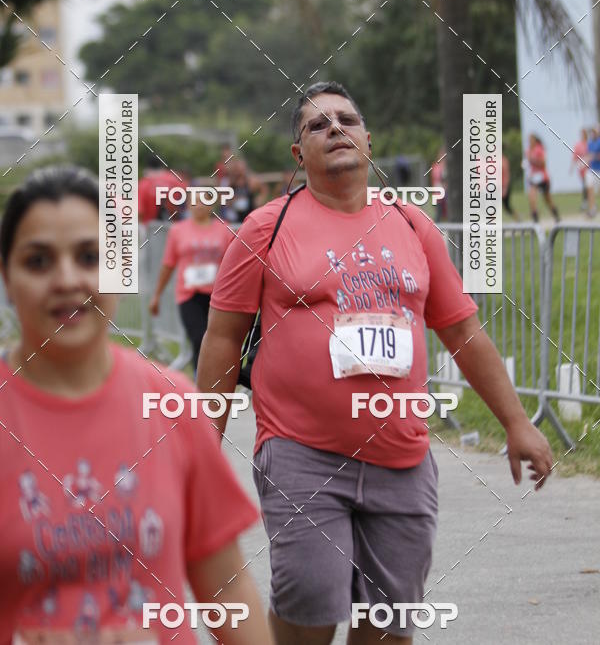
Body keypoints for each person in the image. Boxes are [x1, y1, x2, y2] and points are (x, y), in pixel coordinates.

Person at [198, 81, 553, 645]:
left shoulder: (412, 225)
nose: (335, 128)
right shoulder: (266, 228)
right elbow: (221, 340)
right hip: (301, 452)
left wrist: (516, 422)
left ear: (368, 139)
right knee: (311, 601)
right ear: (298, 153)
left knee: (389, 625)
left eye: (346, 119)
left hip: (402, 459)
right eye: (318, 124)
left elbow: (463, 331)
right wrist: (202, 454)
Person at [0, 165, 271, 643]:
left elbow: (226, 587)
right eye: (38, 261)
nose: (67, 279)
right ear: (6, 276)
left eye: (90, 257)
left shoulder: (171, 404)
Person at [149, 185, 233, 370]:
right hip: (188, 294)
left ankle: (211, 380)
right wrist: (157, 295)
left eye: (204, 201)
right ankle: (201, 381)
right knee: (199, 338)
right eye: (195, 201)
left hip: (217, 295)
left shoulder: (224, 230)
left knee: (216, 341)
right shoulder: (178, 230)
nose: (199, 205)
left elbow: (232, 264)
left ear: (212, 205)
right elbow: (168, 264)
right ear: (188, 205)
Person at [138, 154, 188, 224]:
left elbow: (140, 211)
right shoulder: (175, 179)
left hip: (150, 226)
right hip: (177, 225)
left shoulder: (143, 184)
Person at [524, 134, 560, 223]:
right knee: (532, 198)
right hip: (533, 177)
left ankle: (556, 217)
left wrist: (533, 160)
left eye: (531, 139)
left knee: (547, 199)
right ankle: (535, 220)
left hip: (543, 177)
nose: (529, 141)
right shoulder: (528, 150)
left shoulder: (539, 149)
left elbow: (543, 164)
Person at [571, 129, 590, 212]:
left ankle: (587, 202)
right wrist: (572, 167)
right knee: (585, 185)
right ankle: (586, 202)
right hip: (581, 168)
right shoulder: (578, 145)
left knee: (588, 185)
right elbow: (575, 156)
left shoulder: (589, 144)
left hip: (589, 167)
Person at [586, 125, 600, 218]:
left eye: (594, 132)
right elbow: (588, 155)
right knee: (589, 188)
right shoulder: (590, 143)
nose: (593, 134)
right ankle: (592, 209)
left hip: (599, 170)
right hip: (591, 170)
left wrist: (593, 156)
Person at [501, 152, 520, 220]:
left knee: (507, 207)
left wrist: (505, 188)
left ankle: (518, 218)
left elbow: (506, 175)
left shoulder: (503, 160)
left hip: (504, 187)